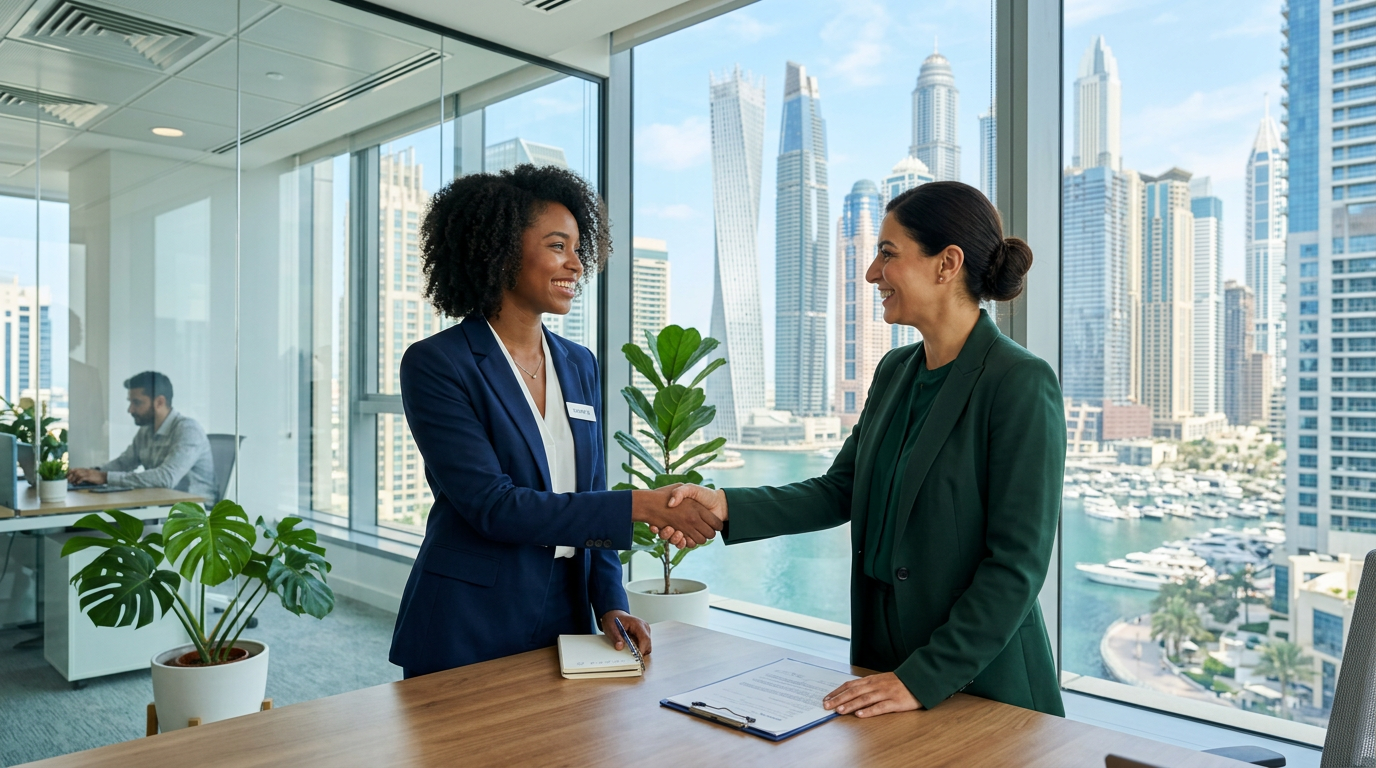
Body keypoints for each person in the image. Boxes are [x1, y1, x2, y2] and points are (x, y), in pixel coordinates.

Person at [664, 181, 1066, 718]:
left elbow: (1017, 566)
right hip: (881, 671)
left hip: (982, 686)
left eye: (888, 253)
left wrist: (921, 679)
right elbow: (842, 489)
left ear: (947, 264)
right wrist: (725, 505)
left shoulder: (1019, 381)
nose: (873, 273)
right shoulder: (895, 371)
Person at [389, 164, 721, 679]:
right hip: (468, 619)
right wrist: (640, 505)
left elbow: (590, 492)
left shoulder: (578, 363)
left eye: (578, 248)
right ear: (501, 250)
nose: (576, 264)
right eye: (557, 246)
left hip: (564, 617)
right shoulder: (437, 363)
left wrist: (610, 602)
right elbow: (493, 506)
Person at [67, 371, 217, 502]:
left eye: (137, 403)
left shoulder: (188, 430)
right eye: (130, 402)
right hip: (160, 506)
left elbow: (166, 478)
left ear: (159, 402)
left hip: (194, 513)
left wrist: (103, 477)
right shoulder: (146, 431)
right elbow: (124, 463)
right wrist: (88, 474)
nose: (130, 410)